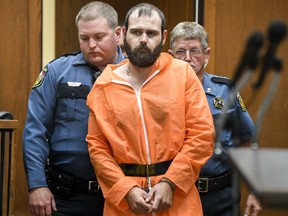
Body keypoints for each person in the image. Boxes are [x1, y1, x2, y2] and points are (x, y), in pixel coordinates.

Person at [86, 3, 215, 216]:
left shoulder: (182, 74)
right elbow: (97, 148)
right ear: (123, 34)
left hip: (178, 198)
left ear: (164, 37)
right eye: (136, 32)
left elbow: (202, 135)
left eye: (151, 33)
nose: (143, 39)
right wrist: (125, 189)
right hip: (125, 203)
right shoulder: (104, 85)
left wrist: (170, 182)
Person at [22, 1, 126, 216]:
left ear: (118, 34)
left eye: (99, 37)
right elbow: (35, 130)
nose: (91, 45)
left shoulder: (136, 74)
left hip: (122, 195)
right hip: (67, 196)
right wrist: (37, 185)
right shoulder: (57, 71)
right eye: (84, 38)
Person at [169, 21, 262, 216]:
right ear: (170, 56)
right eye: (180, 52)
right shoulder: (159, 95)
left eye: (194, 51)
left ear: (206, 55)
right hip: (176, 195)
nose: (187, 59)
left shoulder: (225, 92)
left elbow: (247, 141)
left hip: (220, 195)